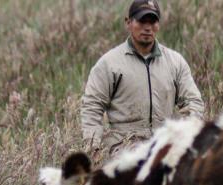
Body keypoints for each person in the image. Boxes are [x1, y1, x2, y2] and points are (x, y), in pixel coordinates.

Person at [80, 0, 205, 157]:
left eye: (153, 21)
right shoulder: (109, 63)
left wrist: (183, 135)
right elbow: (92, 106)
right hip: (123, 148)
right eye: (141, 21)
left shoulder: (175, 62)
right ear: (128, 22)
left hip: (164, 144)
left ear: (158, 25)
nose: (147, 27)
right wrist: (94, 149)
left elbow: (194, 102)